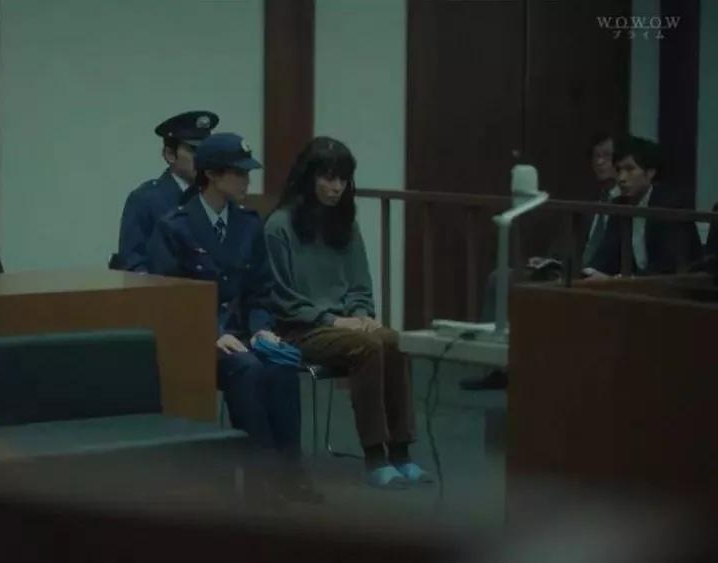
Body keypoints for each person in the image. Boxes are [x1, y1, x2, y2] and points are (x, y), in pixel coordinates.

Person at [148, 133, 317, 503]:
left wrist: (261, 330)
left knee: (280, 366)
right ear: (211, 175)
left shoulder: (248, 224)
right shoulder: (175, 226)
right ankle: (262, 475)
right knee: (247, 369)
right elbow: (170, 299)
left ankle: (291, 471)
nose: (247, 181)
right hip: (196, 338)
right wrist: (212, 333)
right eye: (238, 173)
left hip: (243, 335)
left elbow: (260, 291)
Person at [264, 137, 431, 489]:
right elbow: (282, 297)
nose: (336, 187)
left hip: (344, 322)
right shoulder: (279, 226)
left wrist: (362, 314)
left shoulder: (346, 225)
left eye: (342, 178)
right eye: (328, 177)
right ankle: (375, 457)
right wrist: (335, 320)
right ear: (308, 178)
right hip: (299, 328)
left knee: (392, 340)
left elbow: (360, 284)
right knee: (366, 346)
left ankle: (401, 452)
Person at [462, 132, 620, 391]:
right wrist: (549, 260)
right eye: (596, 156)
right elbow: (570, 240)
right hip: (570, 270)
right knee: (500, 277)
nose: (600, 162)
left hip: (603, 277)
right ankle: (496, 366)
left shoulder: (626, 202)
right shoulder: (592, 197)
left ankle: (539, 371)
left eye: (607, 156)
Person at [583, 135, 702, 278]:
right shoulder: (619, 204)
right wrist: (589, 272)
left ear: (650, 173)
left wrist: (630, 279)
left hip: (679, 286)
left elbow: (670, 264)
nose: (621, 178)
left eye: (630, 169)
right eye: (619, 170)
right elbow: (606, 254)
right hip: (635, 285)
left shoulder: (671, 204)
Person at [115, 111, 219, 272]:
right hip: (162, 286)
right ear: (170, 155)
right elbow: (133, 262)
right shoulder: (145, 199)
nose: (202, 158)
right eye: (194, 150)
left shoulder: (214, 197)